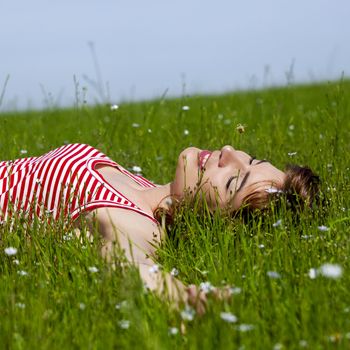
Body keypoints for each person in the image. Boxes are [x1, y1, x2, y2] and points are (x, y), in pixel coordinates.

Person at [0, 143, 319, 309]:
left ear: (220, 227)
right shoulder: (146, 187)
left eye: (234, 181)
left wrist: (185, 297)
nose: (230, 153)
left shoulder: (136, 223)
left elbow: (130, 265)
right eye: (252, 160)